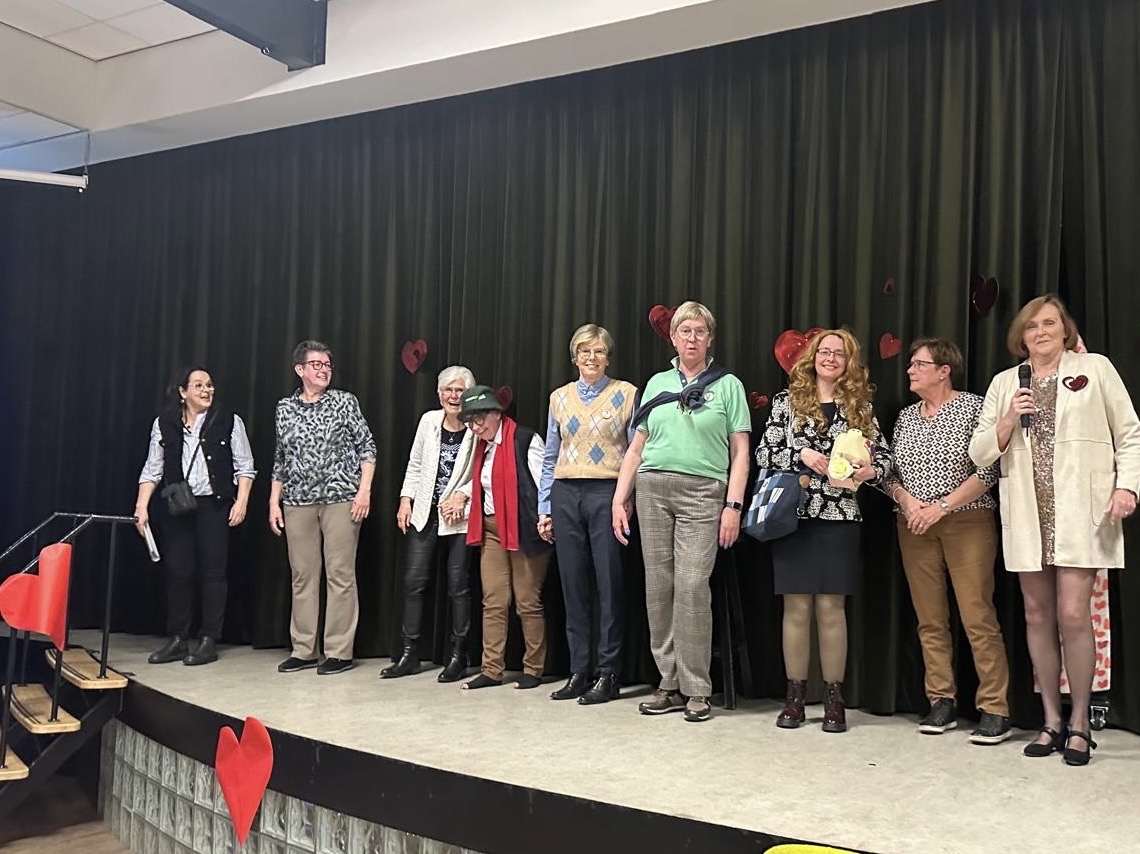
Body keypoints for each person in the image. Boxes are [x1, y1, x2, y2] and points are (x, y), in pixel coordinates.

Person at [970, 295, 1140, 765]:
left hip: (1081, 509)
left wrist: (1127, 486)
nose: (1041, 332)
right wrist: (1007, 420)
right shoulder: (1006, 383)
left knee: (1072, 614)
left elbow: (1129, 432)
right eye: (1032, 326)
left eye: (1049, 323)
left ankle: (1080, 721)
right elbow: (980, 452)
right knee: (1036, 615)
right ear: (1020, 337)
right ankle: (1050, 720)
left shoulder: (1096, 368)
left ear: (1065, 330)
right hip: (1030, 511)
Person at [612, 301, 750, 723]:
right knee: (659, 588)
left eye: (700, 331)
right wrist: (619, 499)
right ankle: (668, 683)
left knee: (691, 587)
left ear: (710, 339)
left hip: (704, 493)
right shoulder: (656, 383)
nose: (692, 338)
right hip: (652, 490)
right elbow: (636, 448)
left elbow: (741, 452)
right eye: (685, 331)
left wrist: (733, 506)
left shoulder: (728, 386)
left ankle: (697, 688)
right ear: (673, 338)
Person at [756, 329, 891, 733]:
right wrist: (801, 453)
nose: (831, 358)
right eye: (825, 352)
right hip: (793, 516)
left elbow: (884, 458)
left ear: (849, 363)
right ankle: (795, 697)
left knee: (832, 608)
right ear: (812, 357)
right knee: (796, 608)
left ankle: (834, 699)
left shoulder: (860, 406)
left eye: (840, 354)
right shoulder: (787, 402)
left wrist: (869, 471)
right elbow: (764, 452)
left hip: (840, 517)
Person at [881, 338, 1010, 744]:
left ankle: (995, 707)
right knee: (930, 618)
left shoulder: (974, 408)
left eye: (919, 364)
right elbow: (890, 473)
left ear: (943, 371)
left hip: (967, 522)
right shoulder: (906, 417)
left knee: (977, 614)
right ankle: (941, 700)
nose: (910, 370)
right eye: (911, 364)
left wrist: (941, 507)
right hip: (913, 525)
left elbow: (988, 470)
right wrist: (908, 503)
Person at [538, 324, 639, 705]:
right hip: (566, 493)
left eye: (598, 351)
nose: (591, 358)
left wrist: (626, 498)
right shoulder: (559, 398)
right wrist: (544, 507)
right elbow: (551, 455)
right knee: (573, 584)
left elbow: (637, 451)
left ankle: (608, 672)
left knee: (609, 583)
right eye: (584, 351)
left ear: (607, 357)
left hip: (606, 493)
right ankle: (579, 670)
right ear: (574, 357)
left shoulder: (626, 394)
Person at [136, 366, 256, 666]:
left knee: (213, 572)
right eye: (199, 385)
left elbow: (245, 465)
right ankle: (178, 638)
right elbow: (153, 468)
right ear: (182, 392)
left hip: (214, 505)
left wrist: (241, 502)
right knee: (178, 571)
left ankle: (208, 639)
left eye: (209, 385)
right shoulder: (164, 423)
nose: (207, 390)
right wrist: (141, 507)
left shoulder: (228, 420)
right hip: (179, 506)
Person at [269, 340, 376, 676]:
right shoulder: (284, 408)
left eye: (327, 364)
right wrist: (273, 501)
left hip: (341, 498)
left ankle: (339, 652)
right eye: (316, 364)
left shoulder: (344, 402)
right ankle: (303, 649)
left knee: (339, 573)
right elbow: (280, 458)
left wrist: (364, 492)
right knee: (302, 575)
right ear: (299, 369)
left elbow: (367, 447)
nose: (324, 369)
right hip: (297, 501)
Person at [385, 366, 478, 682]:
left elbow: (484, 471)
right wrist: (405, 499)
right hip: (425, 512)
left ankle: (459, 655)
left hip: (459, 517)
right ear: (439, 394)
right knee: (413, 581)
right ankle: (409, 653)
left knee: (458, 585)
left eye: (460, 390)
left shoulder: (476, 426)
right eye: (448, 390)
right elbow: (415, 464)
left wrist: (463, 495)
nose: (454, 396)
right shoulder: (428, 421)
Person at [457, 385, 552, 690]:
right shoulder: (481, 447)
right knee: (494, 601)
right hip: (491, 529)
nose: (475, 427)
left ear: (496, 414)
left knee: (527, 601)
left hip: (524, 529)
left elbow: (545, 484)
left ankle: (533, 669)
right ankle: (491, 669)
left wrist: (546, 517)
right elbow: (482, 483)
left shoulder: (524, 440)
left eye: (479, 419)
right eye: (469, 422)